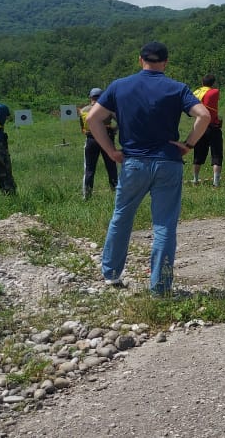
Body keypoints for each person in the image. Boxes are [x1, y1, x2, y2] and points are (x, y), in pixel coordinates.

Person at [88, 41, 210, 297]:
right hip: (168, 161)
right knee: (164, 225)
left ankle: (111, 275)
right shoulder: (177, 88)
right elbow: (204, 116)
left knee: (122, 216)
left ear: (139, 60)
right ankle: (160, 287)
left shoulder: (120, 86)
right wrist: (188, 144)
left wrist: (111, 151)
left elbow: (93, 118)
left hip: (133, 162)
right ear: (165, 63)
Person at [79, 87, 118, 199]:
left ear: (91, 97)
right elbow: (120, 120)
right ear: (102, 97)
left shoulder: (84, 110)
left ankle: (87, 195)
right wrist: (115, 130)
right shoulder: (107, 109)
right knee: (111, 166)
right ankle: (115, 191)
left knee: (89, 169)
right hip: (107, 139)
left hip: (91, 140)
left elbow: (82, 128)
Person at [191, 74, 224, 187]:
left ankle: (195, 180)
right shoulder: (214, 92)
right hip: (213, 127)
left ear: (202, 82)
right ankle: (216, 182)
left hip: (199, 127)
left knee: (198, 154)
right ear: (213, 83)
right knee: (216, 155)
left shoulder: (196, 92)